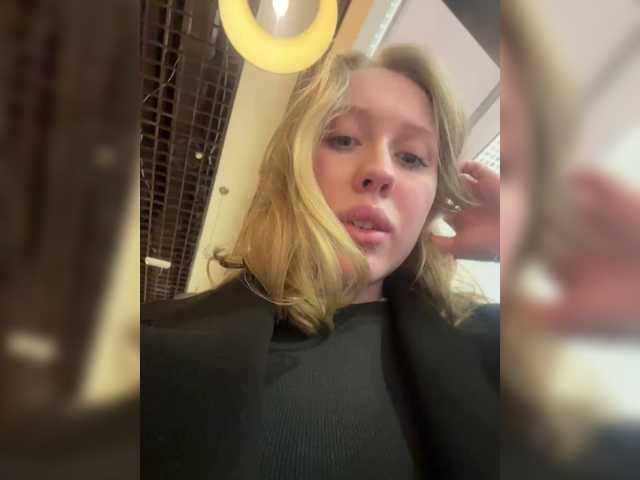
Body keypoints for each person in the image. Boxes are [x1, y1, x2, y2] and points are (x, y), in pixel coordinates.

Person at [141, 45, 500, 480]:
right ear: (294, 170)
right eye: (343, 139)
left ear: (432, 200)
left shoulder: (495, 348)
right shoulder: (151, 341)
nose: (381, 171)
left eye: (411, 157)